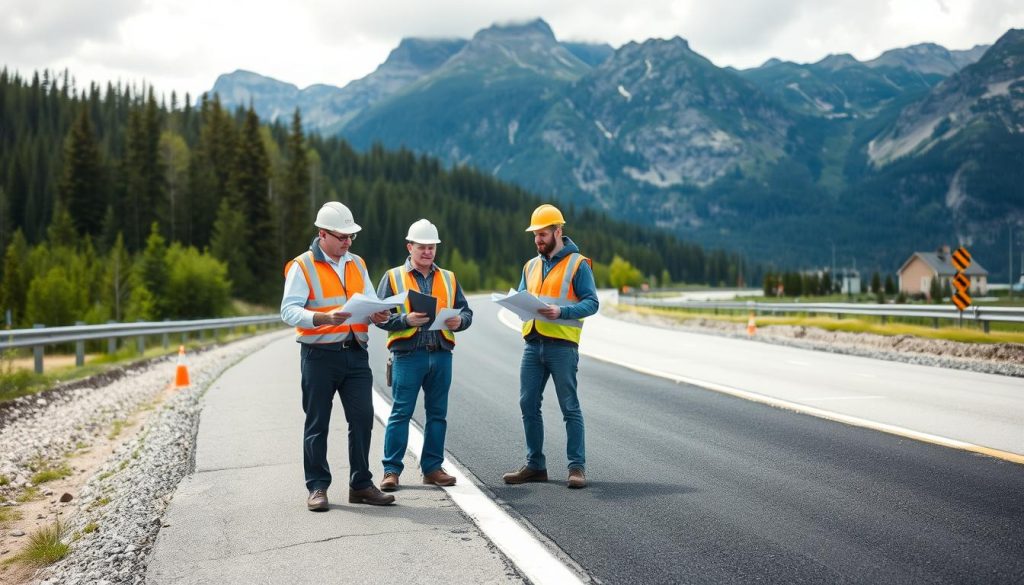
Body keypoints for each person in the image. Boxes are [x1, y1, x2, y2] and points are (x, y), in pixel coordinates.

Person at [281, 201, 396, 510]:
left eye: (351, 237)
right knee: (317, 422)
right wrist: (320, 318)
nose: (347, 242)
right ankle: (317, 487)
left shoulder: (357, 263)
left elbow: (370, 301)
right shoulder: (302, 265)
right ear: (323, 235)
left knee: (362, 419)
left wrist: (379, 314)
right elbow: (287, 310)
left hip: (355, 352)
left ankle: (360, 484)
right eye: (342, 236)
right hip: (319, 355)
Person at [502, 204, 599, 489]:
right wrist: (516, 304)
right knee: (527, 402)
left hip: (562, 346)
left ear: (558, 231)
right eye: (535, 235)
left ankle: (576, 467)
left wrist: (562, 312)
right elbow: (522, 294)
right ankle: (535, 465)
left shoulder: (578, 264)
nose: (537, 240)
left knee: (570, 406)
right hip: (533, 344)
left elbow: (592, 302)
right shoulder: (530, 265)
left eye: (542, 234)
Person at [374, 219, 473, 492]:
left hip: (441, 354)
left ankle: (432, 469)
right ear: (410, 247)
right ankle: (391, 471)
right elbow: (379, 317)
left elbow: (466, 312)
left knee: (437, 414)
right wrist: (406, 319)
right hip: (408, 355)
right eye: (422, 247)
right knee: (400, 413)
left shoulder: (449, 277)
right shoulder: (393, 277)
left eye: (432, 247)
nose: (428, 252)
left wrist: (459, 322)